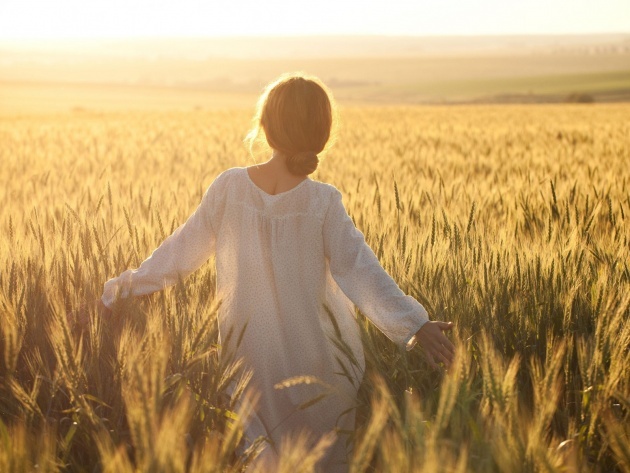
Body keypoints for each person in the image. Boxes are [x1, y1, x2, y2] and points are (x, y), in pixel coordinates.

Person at [93, 72, 454, 471]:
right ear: (322, 133)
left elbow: (176, 256)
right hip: (322, 367)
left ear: (265, 127)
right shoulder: (323, 202)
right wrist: (415, 324)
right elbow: (361, 272)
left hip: (248, 363)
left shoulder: (229, 188)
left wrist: (117, 292)